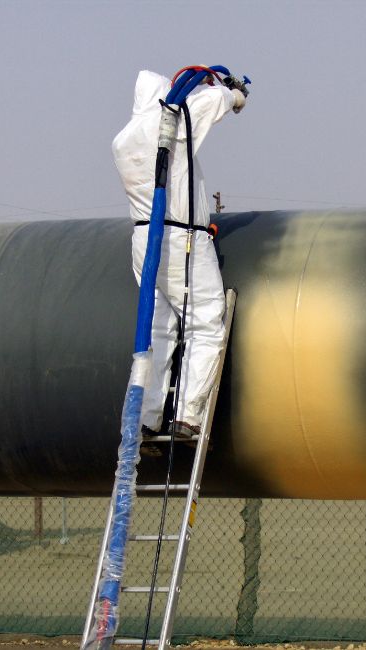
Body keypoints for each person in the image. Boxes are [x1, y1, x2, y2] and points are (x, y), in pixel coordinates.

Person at [112, 69, 246, 440]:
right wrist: (235, 95)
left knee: (157, 327)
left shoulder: (122, 140)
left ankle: (146, 416)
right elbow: (212, 103)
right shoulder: (169, 118)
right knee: (204, 322)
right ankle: (187, 415)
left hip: (143, 239)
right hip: (179, 237)